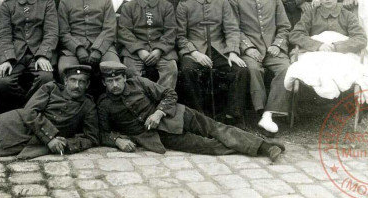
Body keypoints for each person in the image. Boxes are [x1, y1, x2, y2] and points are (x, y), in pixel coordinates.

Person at [97, 61, 285, 162]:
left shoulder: (138, 82)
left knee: (216, 129)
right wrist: (117, 140)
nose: (115, 85)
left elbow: (169, 94)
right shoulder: (104, 104)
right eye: (110, 82)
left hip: (176, 115)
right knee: (208, 146)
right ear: (104, 83)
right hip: (158, 136)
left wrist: (158, 113)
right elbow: (102, 132)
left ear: (124, 78)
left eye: (118, 80)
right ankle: (261, 145)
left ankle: (265, 147)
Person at [176, 0, 248, 126]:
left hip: (219, 49)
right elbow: (180, 35)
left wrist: (233, 52)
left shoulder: (222, 2)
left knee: (240, 70)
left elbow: (231, 29)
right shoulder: (184, 4)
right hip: (194, 51)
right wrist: (194, 53)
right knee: (188, 71)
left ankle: (233, 117)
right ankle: (198, 117)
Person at [229, 0, 292, 134]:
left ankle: (268, 114)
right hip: (250, 50)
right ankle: (259, 112)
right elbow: (234, 28)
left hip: (272, 49)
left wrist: (277, 45)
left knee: (286, 68)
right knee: (253, 69)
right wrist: (248, 48)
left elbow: (284, 26)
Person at [0, 0, 58, 108]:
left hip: (39, 51)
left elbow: (51, 31)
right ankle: (27, 108)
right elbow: (3, 34)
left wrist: (43, 55)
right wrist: (6, 59)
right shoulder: (8, 3)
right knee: (4, 82)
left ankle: (26, 110)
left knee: (46, 77)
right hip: (15, 54)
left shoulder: (46, 1)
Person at [57, 0, 120, 80]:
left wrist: (98, 50)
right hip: (73, 49)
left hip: (103, 47)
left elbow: (109, 29)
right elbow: (64, 32)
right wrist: (78, 48)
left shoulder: (105, 0)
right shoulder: (65, 2)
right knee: (65, 70)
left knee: (115, 69)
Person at [119, 0, 179, 90]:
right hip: (135, 51)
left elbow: (170, 31)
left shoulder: (166, 6)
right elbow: (124, 31)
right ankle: (141, 102)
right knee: (130, 71)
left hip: (161, 50)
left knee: (171, 70)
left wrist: (159, 50)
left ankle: (164, 102)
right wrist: (139, 50)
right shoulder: (128, 7)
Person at [289, 0, 367, 55]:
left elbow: (360, 38)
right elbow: (295, 35)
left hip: (341, 55)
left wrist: (337, 47)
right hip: (315, 54)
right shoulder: (310, 14)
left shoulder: (348, 15)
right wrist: (317, 45)